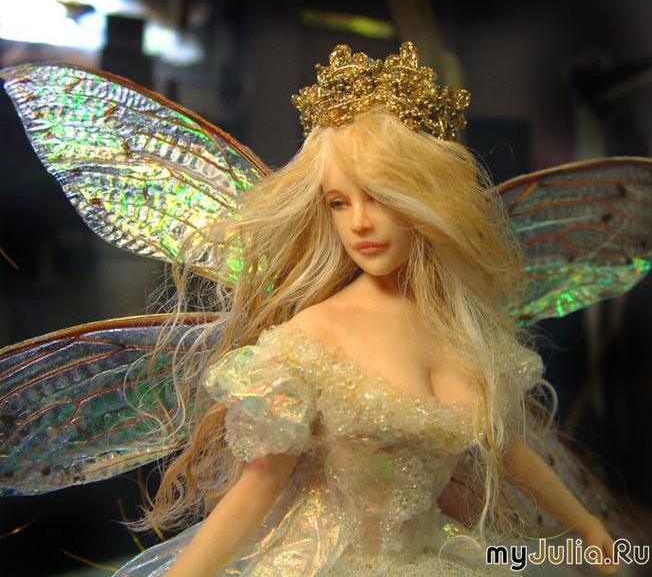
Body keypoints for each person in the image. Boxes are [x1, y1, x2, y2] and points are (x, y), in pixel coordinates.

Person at [119, 43, 618, 577]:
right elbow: (257, 487)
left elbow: (506, 450)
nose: (358, 222)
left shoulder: (462, 331)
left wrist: (585, 524)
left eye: (379, 195)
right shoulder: (311, 338)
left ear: (428, 200)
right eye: (339, 202)